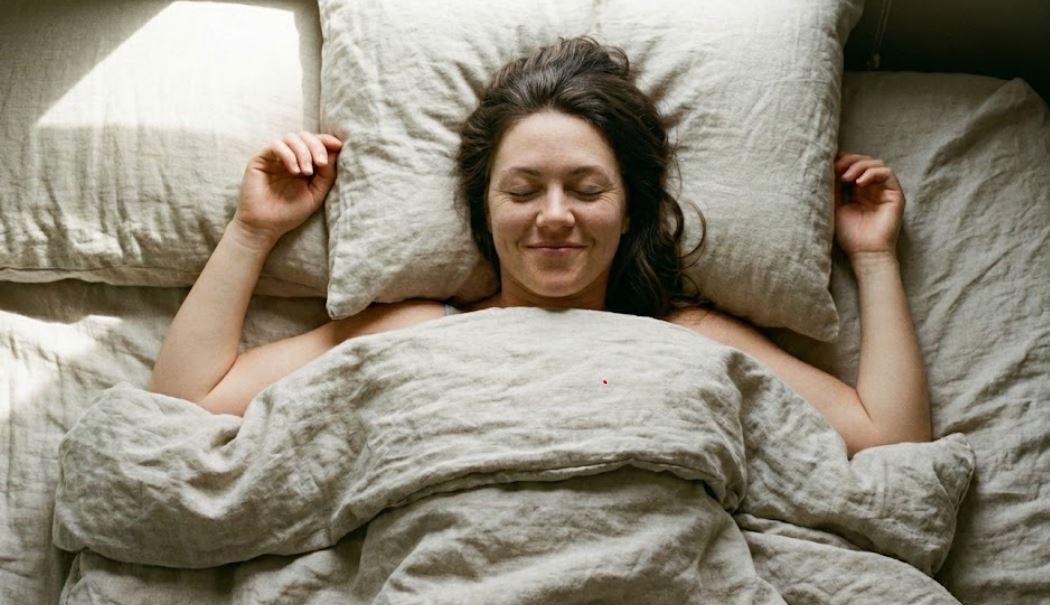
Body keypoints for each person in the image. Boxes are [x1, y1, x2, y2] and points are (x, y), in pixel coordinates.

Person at [148, 37, 932, 459]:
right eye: (523, 190)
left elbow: (890, 442)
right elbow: (185, 404)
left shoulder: (685, 334)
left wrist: (872, 258)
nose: (554, 216)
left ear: (629, 210)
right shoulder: (418, 325)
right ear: (483, 211)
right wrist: (253, 231)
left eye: (586, 189)